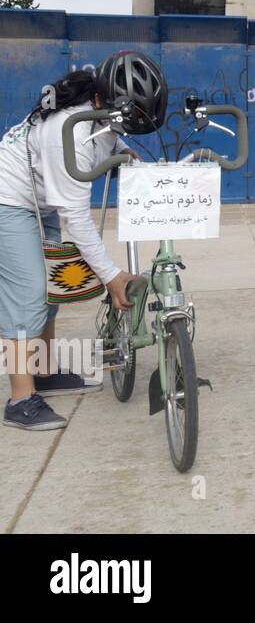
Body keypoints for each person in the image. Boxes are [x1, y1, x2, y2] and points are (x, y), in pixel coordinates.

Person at [0, 52, 164, 431]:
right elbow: (75, 217)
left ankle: (42, 371)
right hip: (9, 201)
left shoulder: (101, 115)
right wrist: (111, 275)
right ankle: (20, 400)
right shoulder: (68, 132)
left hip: (39, 200)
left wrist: (122, 152)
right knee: (27, 294)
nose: (128, 126)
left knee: (52, 290)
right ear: (104, 101)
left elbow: (107, 140)